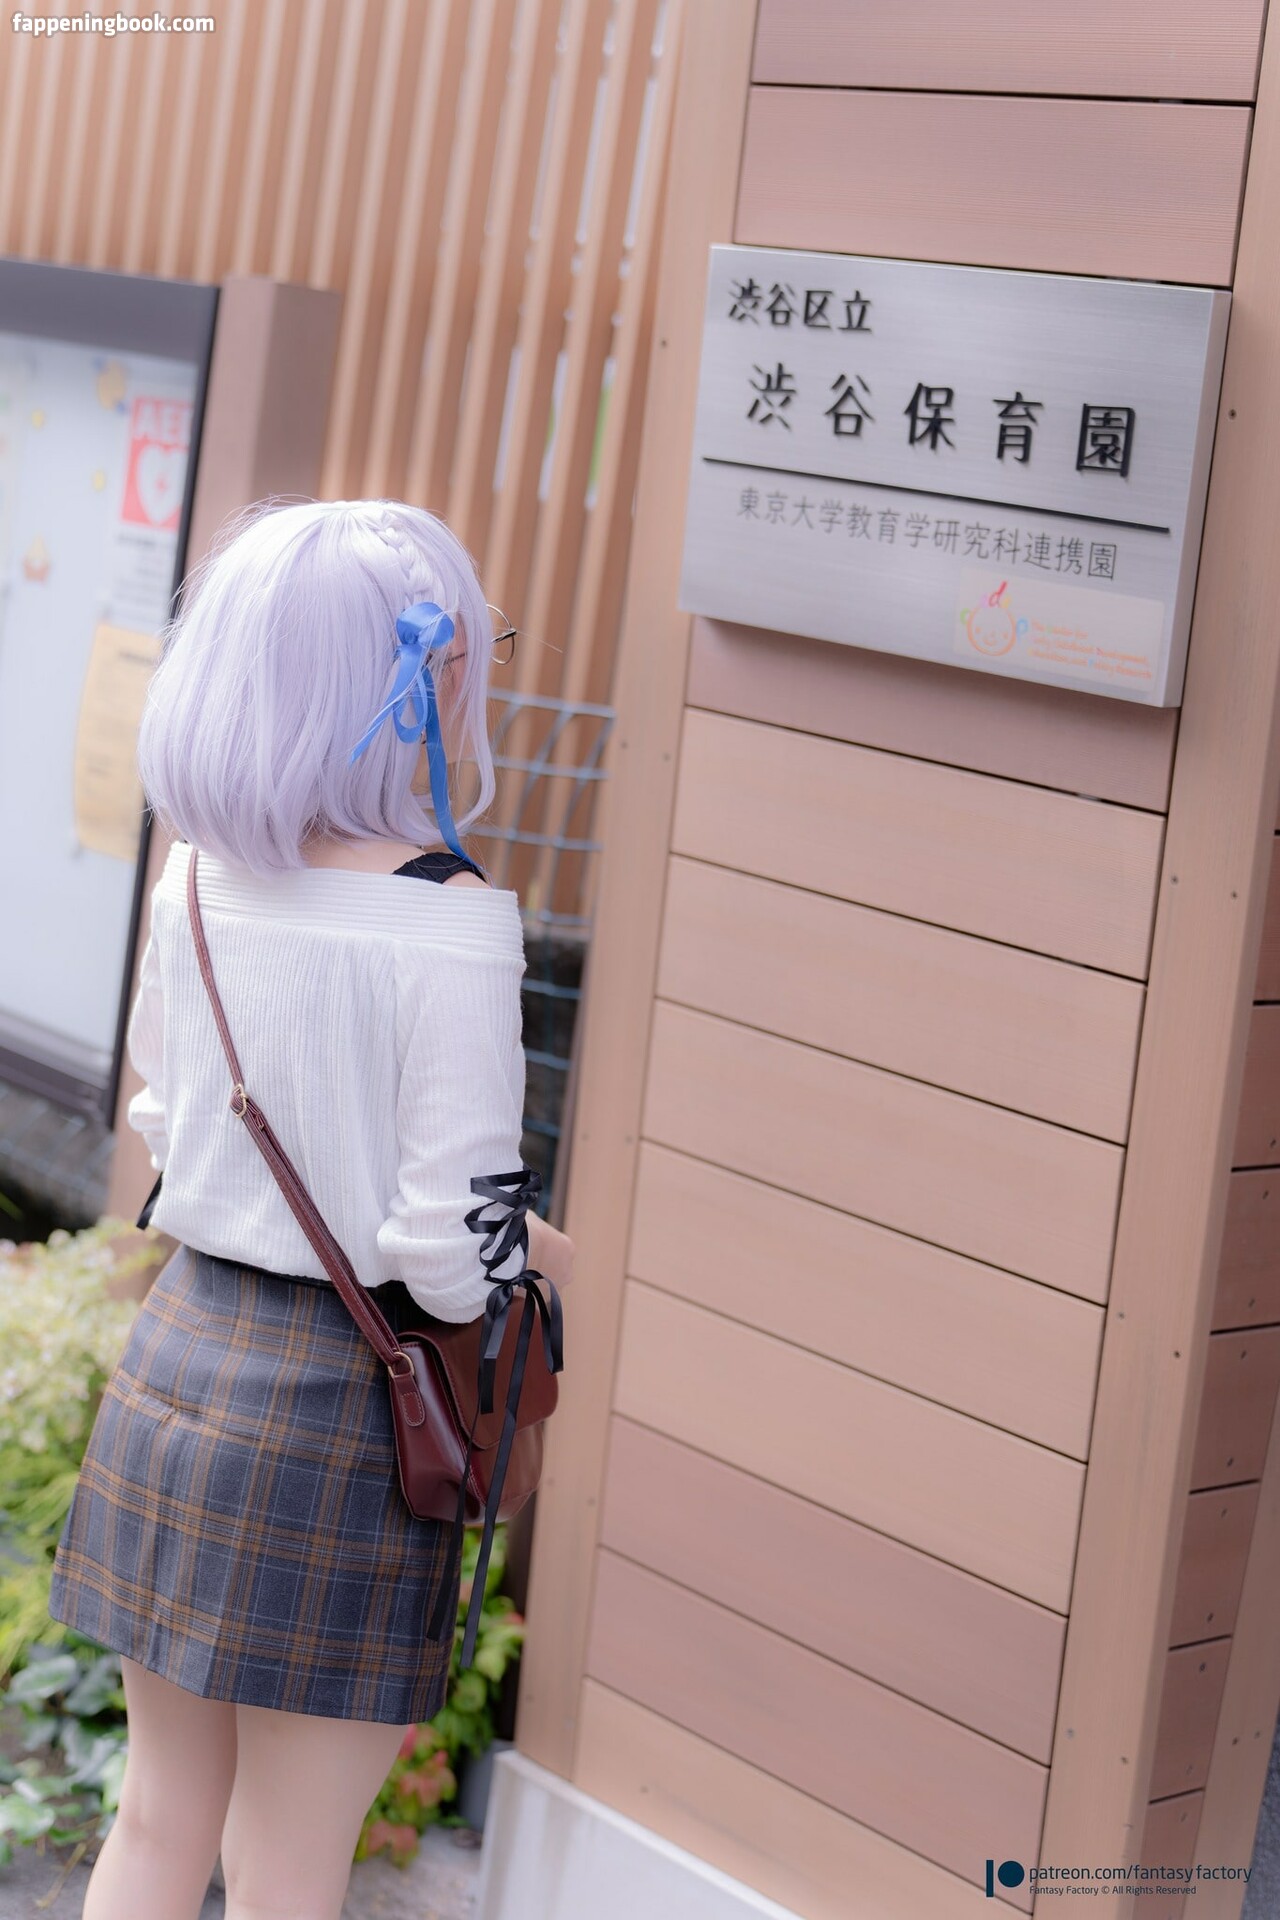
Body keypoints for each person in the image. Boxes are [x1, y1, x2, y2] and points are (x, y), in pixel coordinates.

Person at [45, 498, 575, 1920]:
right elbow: (450, 1263)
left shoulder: (196, 877)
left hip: (182, 1361)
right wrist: (541, 1256)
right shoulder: (451, 921)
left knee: (154, 1820)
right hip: (345, 1414)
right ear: (414, 682)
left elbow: (166, 1124)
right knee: (287, 1868)